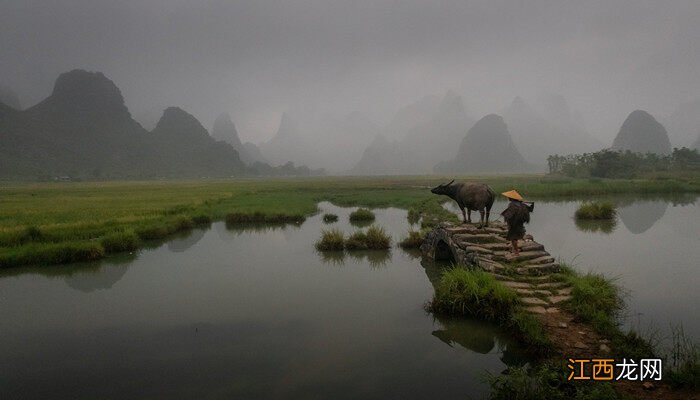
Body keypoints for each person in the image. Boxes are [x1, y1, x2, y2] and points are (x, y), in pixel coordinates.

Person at [500, 190, 534, 255]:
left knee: (513, 238)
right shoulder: (523, 205)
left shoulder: (512, 204)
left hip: (514, 224)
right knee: (516, 237)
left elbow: (510, 215)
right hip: (520, 223)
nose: (508, 198)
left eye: (509, 197)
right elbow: (529, 210)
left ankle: (516, 252)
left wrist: (504, 215)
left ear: (512, 198)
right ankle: (515, 250)